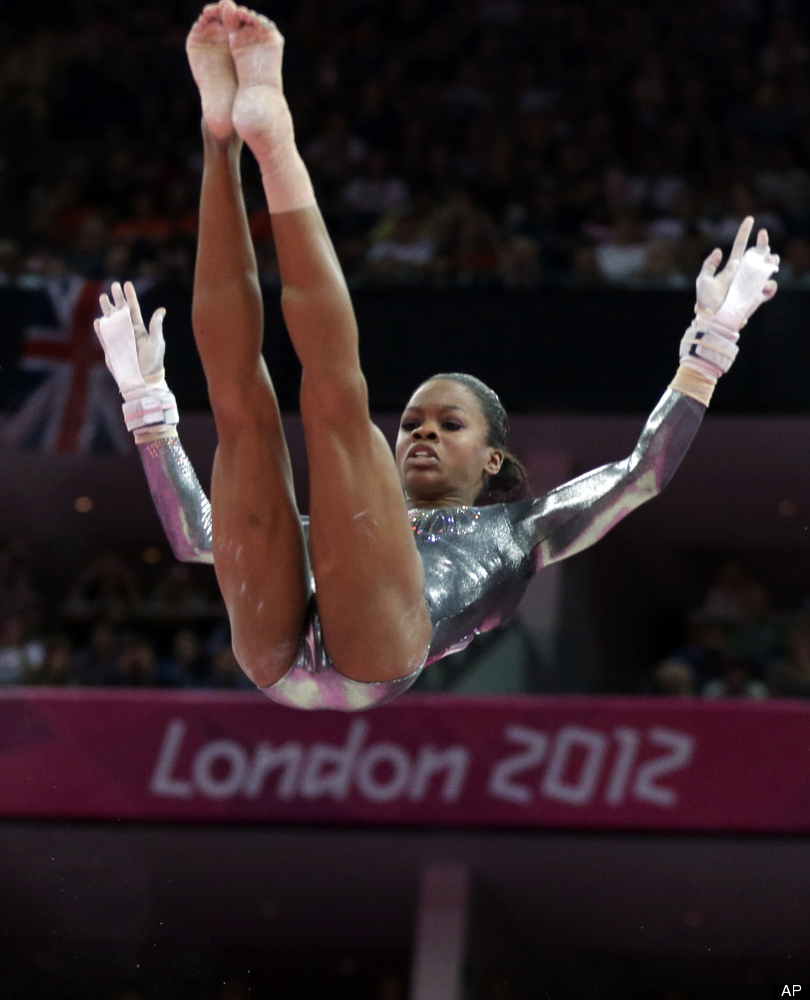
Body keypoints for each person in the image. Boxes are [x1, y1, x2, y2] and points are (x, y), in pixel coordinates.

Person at [94, 1, 779, 711]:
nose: (421, 432)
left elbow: (643, 475)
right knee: (239, 407)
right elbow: (198, 538)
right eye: (417, 422)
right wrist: (154, 410)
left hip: (377, 652)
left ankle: (275, 144)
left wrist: (710, 343)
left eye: (449, 425)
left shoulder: (522, 528)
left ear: (492, 459)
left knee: (334, 398)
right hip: (280, 643)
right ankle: (220, 133)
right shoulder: (325, 529)